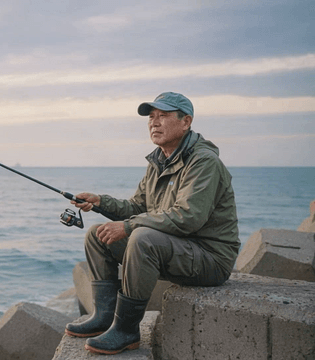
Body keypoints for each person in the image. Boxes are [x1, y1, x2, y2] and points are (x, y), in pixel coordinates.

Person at [64, 92, 240, 355]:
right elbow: (137, 207)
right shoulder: (159, 161)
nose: (154, 123)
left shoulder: (204, 162)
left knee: (142, 237)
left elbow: (187, 217)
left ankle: (126, 330)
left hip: (210, 259)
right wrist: (100, 202)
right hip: (178, 248)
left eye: (163, 116)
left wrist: (128, 227)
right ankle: (103, 317)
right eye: (151, 117)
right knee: (96, 235)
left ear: (186, 122)